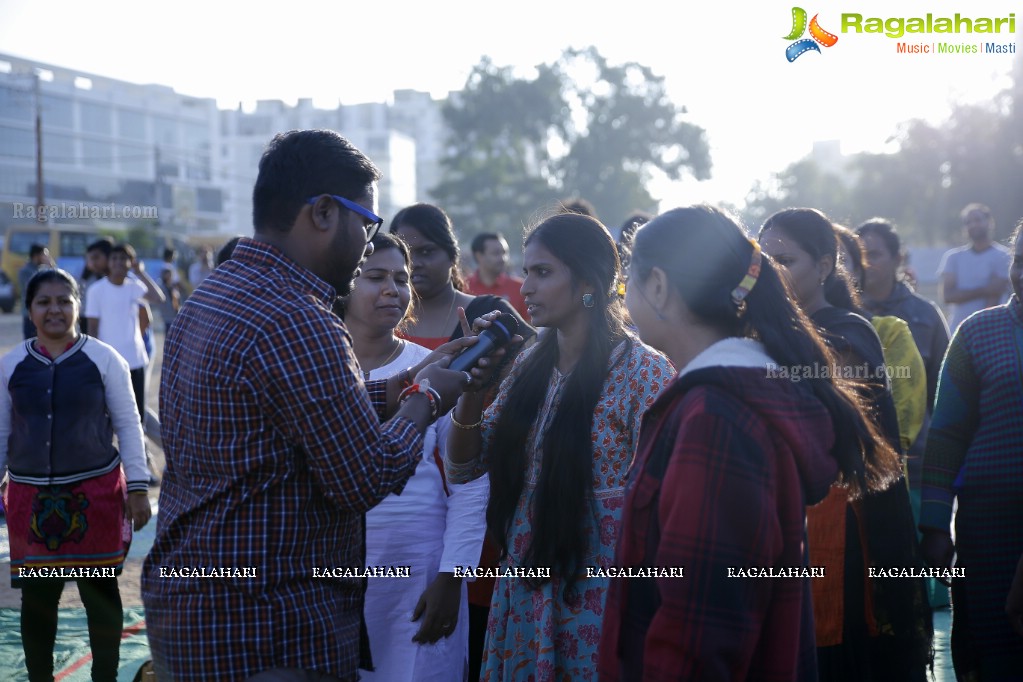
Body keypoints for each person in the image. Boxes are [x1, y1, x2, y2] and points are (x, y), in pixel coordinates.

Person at [141, 129, 489, 682]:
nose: (370, 243)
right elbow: (363, 476)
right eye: (368, 224)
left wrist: (396, 390)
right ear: (324, 213)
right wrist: (426, 400)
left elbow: (280, 426)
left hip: (198, 612)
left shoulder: (213, 294)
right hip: (267, 631)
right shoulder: (299, 317)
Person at [598, 205, 881, 679]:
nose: (624, 299)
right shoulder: (719, 397)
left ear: (661, 288)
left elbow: (700, 629)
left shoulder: (714, 416)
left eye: (630, 280)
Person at [445, 211, 675, 680]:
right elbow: (464, 469)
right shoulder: (530, 363)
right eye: (527, 271)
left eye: (543, 272)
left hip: (602, 596)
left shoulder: (644, 372)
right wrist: (470, 388)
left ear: (590, 281)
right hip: (524, 590)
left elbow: (667, 507)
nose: (525, 287)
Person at [760, 207, 932, 682]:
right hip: (777, 527)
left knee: (843, 657)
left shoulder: (849, 333)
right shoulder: (760, 334)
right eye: (764, 262)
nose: (772, 274)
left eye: (785, 261)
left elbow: (832, 431)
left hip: (843, 528)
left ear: (822, 266)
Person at [390, 202, 535, 681]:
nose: (414, 267)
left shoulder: (487, 315)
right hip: (405, 505)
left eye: (426, 252)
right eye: (404, 255)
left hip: (478, 495)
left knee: (473, 625)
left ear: (452, 256)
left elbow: (537, 379)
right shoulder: (383, 318)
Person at [339, 232, 488, 681]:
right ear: (345, 284)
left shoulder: (435, 367)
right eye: (375, 277)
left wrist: (452, 575)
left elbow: (469, 479)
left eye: (401, 279)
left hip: (419, 567)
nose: (392, 289)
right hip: (331, 568)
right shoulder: (318, 367)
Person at [0, 268, 151, 682]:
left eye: (64, 301)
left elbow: (129, 424)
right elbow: (1, 430)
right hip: (32, 502)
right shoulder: (11, 364)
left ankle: (104, 676)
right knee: (38, 600)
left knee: (100, 594)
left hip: (96, 497)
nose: (55, 310)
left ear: (78, 308)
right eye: (44, 302)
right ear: (30, 310)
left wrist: (138, 487)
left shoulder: (105, 359)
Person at [920, 218, 1023, 679]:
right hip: (988, 526)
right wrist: (937, 525)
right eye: (1020, 261)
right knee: (991, 638)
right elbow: (946, 434)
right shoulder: (978, 333)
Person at [856, 217, 952, 608]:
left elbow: (944, 393)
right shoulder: (848, 315)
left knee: (918, 578)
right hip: (861, 462)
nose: (867, 264)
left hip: (918, 458)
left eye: (875, 254)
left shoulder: (925, 315)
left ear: (898, 258)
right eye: (860, 255)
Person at [835, 225, 927, 456]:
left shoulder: (894, 330)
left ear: (857, 271)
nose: (829, 270)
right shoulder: (779, 334)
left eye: (840, 260)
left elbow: (935, 397)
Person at [85, 243, 166, 431]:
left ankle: (140, 456)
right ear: (109, 262)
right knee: (107, 415)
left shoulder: (134, 286)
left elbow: (159, 298)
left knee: (137, 417)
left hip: (136, 360)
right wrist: (94, 359)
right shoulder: (97, 290)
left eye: (124, 259)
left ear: (131, 263)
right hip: (110, 363)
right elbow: (92, 328)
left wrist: (140, 273)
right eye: (115, 258)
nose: (119, 262)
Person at [938, 202, 1011, 331]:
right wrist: (985, 289)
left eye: (977, 220)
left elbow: (995, 295)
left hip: (992, 330)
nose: (973, 225)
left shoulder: (1004, 255)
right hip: (958, 331)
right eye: (968, 222)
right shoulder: (953, 257)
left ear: (990, 222)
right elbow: (948, 296)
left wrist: (963, 294)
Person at [465, 232, 527, 318]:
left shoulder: (521, 288)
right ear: (479, 256)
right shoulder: (463, 287)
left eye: (505, 253)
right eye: (496, 253)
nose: (503, 258)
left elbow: (530, 328)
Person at [19, 243, 54, 339]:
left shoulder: (42, 270)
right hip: (30, 313)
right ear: (36, 256)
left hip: (42, 312)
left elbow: (58, 283)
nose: (47, 257)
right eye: (44, 254)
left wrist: (51, 266)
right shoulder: (25, 271)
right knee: (30, 342)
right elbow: (35, 288)